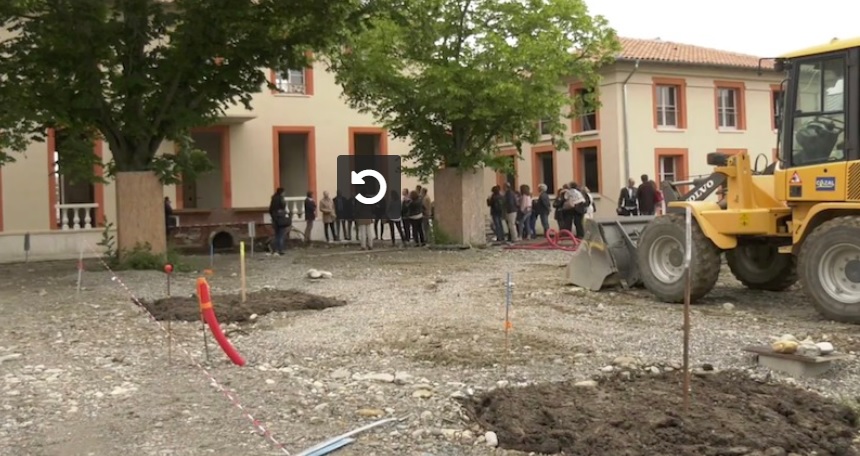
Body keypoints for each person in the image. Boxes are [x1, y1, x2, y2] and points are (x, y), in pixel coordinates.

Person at [268, 187, 290, 255]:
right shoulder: (281, 199)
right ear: (281, 192)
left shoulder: (273, 199)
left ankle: (275, 249)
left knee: (276, 235)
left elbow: (270, 210)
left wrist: (273, 217)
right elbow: (283, 208)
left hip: (275, 219)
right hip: (281, 219)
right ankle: (280, 250)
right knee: (281, 235)